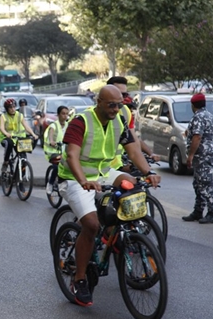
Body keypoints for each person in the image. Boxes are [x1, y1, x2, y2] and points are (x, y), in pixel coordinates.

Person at [58, 85, 161, 307]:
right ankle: (80, 279)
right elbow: (72, 155)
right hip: (75, 178)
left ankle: (115, 236)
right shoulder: (81, 122)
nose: (116, 109)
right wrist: (84, 180)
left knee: (132, 186)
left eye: (119, 105)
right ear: (99, 102)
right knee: (92, 224)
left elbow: (133, 150)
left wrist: (148, 172)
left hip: (103, 173)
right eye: (111, 105)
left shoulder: (119, 122)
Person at [182, 93, 213, 224]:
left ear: (193, 105)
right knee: (198, 183)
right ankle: (198, 211)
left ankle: (212, 212)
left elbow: (197, 137)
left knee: (206, 183)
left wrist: (190, 155)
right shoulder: (210, 116)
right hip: (208, 152)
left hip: (201, 154)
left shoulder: (198, 117)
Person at [0, 98, 38, 172]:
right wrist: (6, 134)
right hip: (6, 137)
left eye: (14, 107)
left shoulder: (20, 115)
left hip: (18, 138)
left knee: (23, 156)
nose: (13, 109)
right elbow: (1, 128)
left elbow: (26, 126)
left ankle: (21, 177)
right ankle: (5, 162)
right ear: (7, 109)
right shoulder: (3, 116)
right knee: (9, 143)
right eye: (10, 107)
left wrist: (33, 134)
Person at [44, 105, 70, 194]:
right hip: (53, 152)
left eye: (67, 114)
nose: (65, 116)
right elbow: (51, 134)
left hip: (64, 152)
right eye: (63, 114)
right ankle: (50, 183)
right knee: (56, 166)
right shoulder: (53, 125)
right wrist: (52, 141)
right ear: (58, 115)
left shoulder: (68, 125)